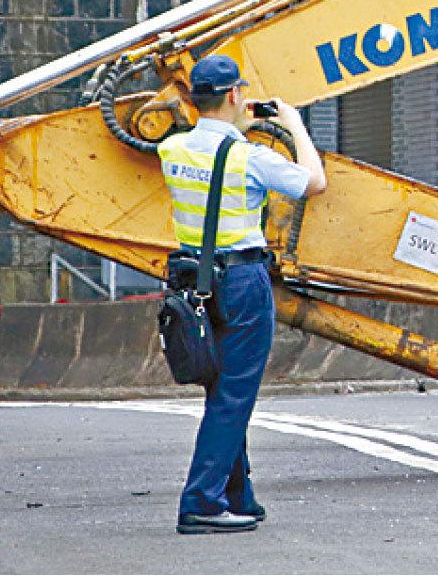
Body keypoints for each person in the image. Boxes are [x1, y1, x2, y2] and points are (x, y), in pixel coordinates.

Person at [158, 54, 327, 533]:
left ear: (193, 101)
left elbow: (207, 152)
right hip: (243, 281)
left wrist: (232, 121)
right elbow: (314, 182)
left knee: (222, 387)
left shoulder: (173, 151)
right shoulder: (250, 158)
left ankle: (238, 495)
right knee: (234, 394)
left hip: (194, 281)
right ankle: (201, 503)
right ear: (235, 95)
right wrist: (294, 126)